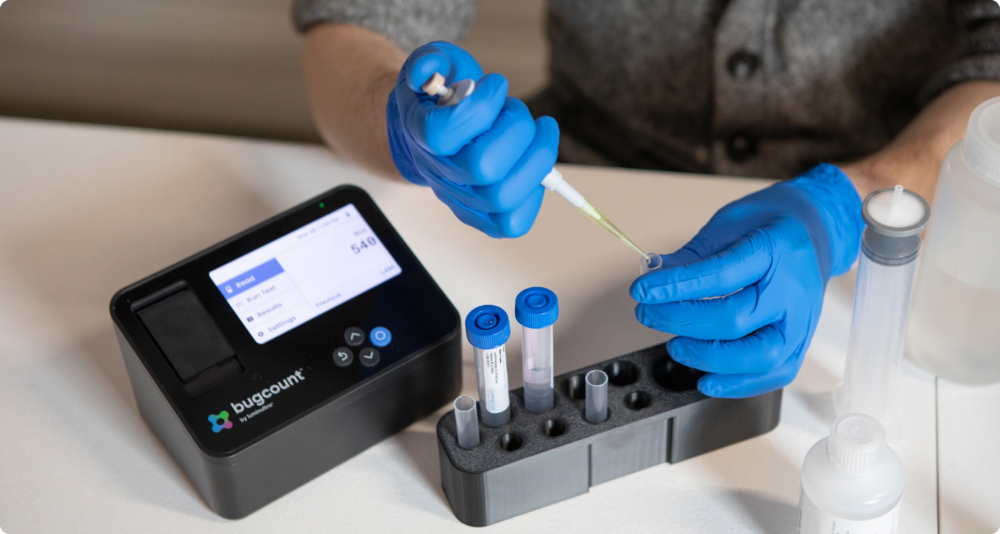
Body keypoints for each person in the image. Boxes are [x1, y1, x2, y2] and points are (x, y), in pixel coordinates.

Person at [292, 1, 1000, 398]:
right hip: (565, 166)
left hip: (903, 223)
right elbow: (360, 22)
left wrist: (852, 202)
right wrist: (406, 127)